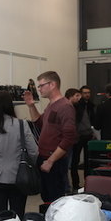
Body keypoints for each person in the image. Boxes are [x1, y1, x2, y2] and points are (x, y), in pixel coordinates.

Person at [23, 71, 77, 204]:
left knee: (56, 199)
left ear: (52, 84)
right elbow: (39, 123)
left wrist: (51, 161)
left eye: (41, 85)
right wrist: (31, 106)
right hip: (45, 158)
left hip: (55, 160)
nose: (39, 89)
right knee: (47, 197)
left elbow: (69, 138)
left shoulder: (65, 107)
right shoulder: (51, 105)